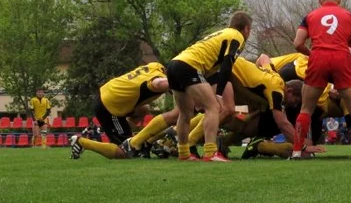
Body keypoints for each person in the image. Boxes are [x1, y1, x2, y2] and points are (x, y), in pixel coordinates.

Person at [290, 0, 351, 159]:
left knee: (306, 108)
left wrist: (312, 54)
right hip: (341, 57)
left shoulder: (309, 17)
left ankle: (297, 151)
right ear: (339, 0)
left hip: (318, 58)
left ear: (319, 1)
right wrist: (350, 54)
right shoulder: (349, 15)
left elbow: (297, 43)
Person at [166, 11, 251, 161]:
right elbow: (227, 65)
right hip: (189, 66)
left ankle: (184, 153)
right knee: (213, 107)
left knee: (185, 114)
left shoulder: (222, 33)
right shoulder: (237, 37)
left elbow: (211, 69)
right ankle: (211, 153)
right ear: (246, 29)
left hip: (174, 65)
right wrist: (218, 94)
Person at [70, 63, 170, 160]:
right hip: (110, 107)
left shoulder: (155, 66)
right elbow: (157, 83)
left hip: (109, 92)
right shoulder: (160, 79)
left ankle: (120, 133)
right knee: (125, 151)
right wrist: (176, 82)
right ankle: (81, 142)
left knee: (144, 109)